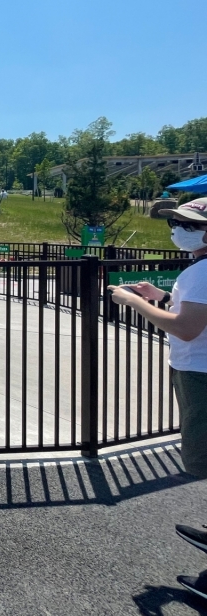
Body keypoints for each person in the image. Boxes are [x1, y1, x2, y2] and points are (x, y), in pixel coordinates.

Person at [107, 197, 207, 600]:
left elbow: (186, 329)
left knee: (204, 455)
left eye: (187, 223)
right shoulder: (198, 271)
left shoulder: (201, 272)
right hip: (198, 369)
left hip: (199, 373)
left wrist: (135, 302)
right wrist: (162, 298)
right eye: (177, 222)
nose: (177, 229)